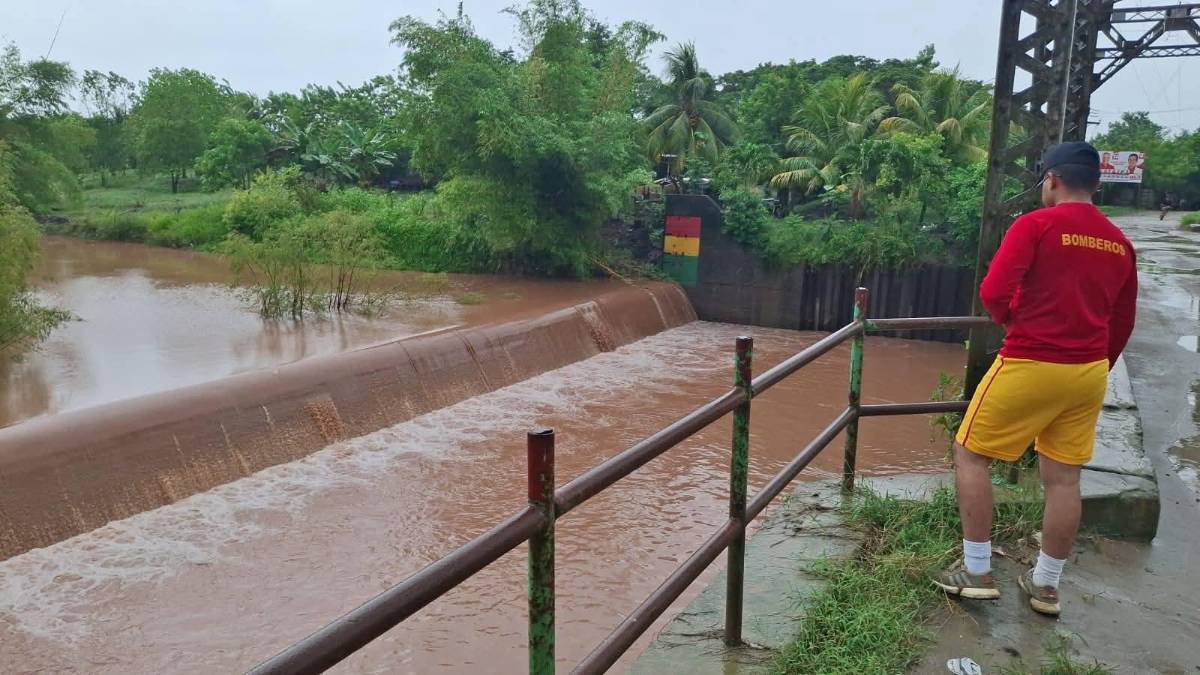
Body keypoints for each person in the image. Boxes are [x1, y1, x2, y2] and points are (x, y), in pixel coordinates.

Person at [933, 141, 1138, 616]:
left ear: (1051, 180)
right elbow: (1123, 320)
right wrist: (1098, 363)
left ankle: (978, 571)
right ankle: (1046, 585)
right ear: (1096, 184)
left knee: (970, 455)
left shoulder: (1036, 225)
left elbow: (994, 290)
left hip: (1030, 362)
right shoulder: (1119, 242)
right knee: (1064, 479)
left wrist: (1013, 324)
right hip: (1087, 372)